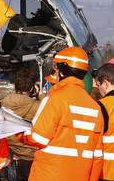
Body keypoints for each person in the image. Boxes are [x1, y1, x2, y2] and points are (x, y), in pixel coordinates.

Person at [20, 46, 104, 181]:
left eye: (56, 69)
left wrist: (21, 135)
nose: (56, 72)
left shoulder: (54, 100)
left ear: (63, 72)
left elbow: (39, 138)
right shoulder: (95, 108)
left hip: (48, 175)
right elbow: (98, 156)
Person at [1, 68, 42, 181]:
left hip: (9, 156)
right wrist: (41, 95)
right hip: (28, 158)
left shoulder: (4, 102)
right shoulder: (38, 107)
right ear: (32, 88)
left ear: (15, 86)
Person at [94, 63, 114, 181]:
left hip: (107, 172)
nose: (98, 89)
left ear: (106, 83)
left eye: (98, 85)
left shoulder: (102, 106)